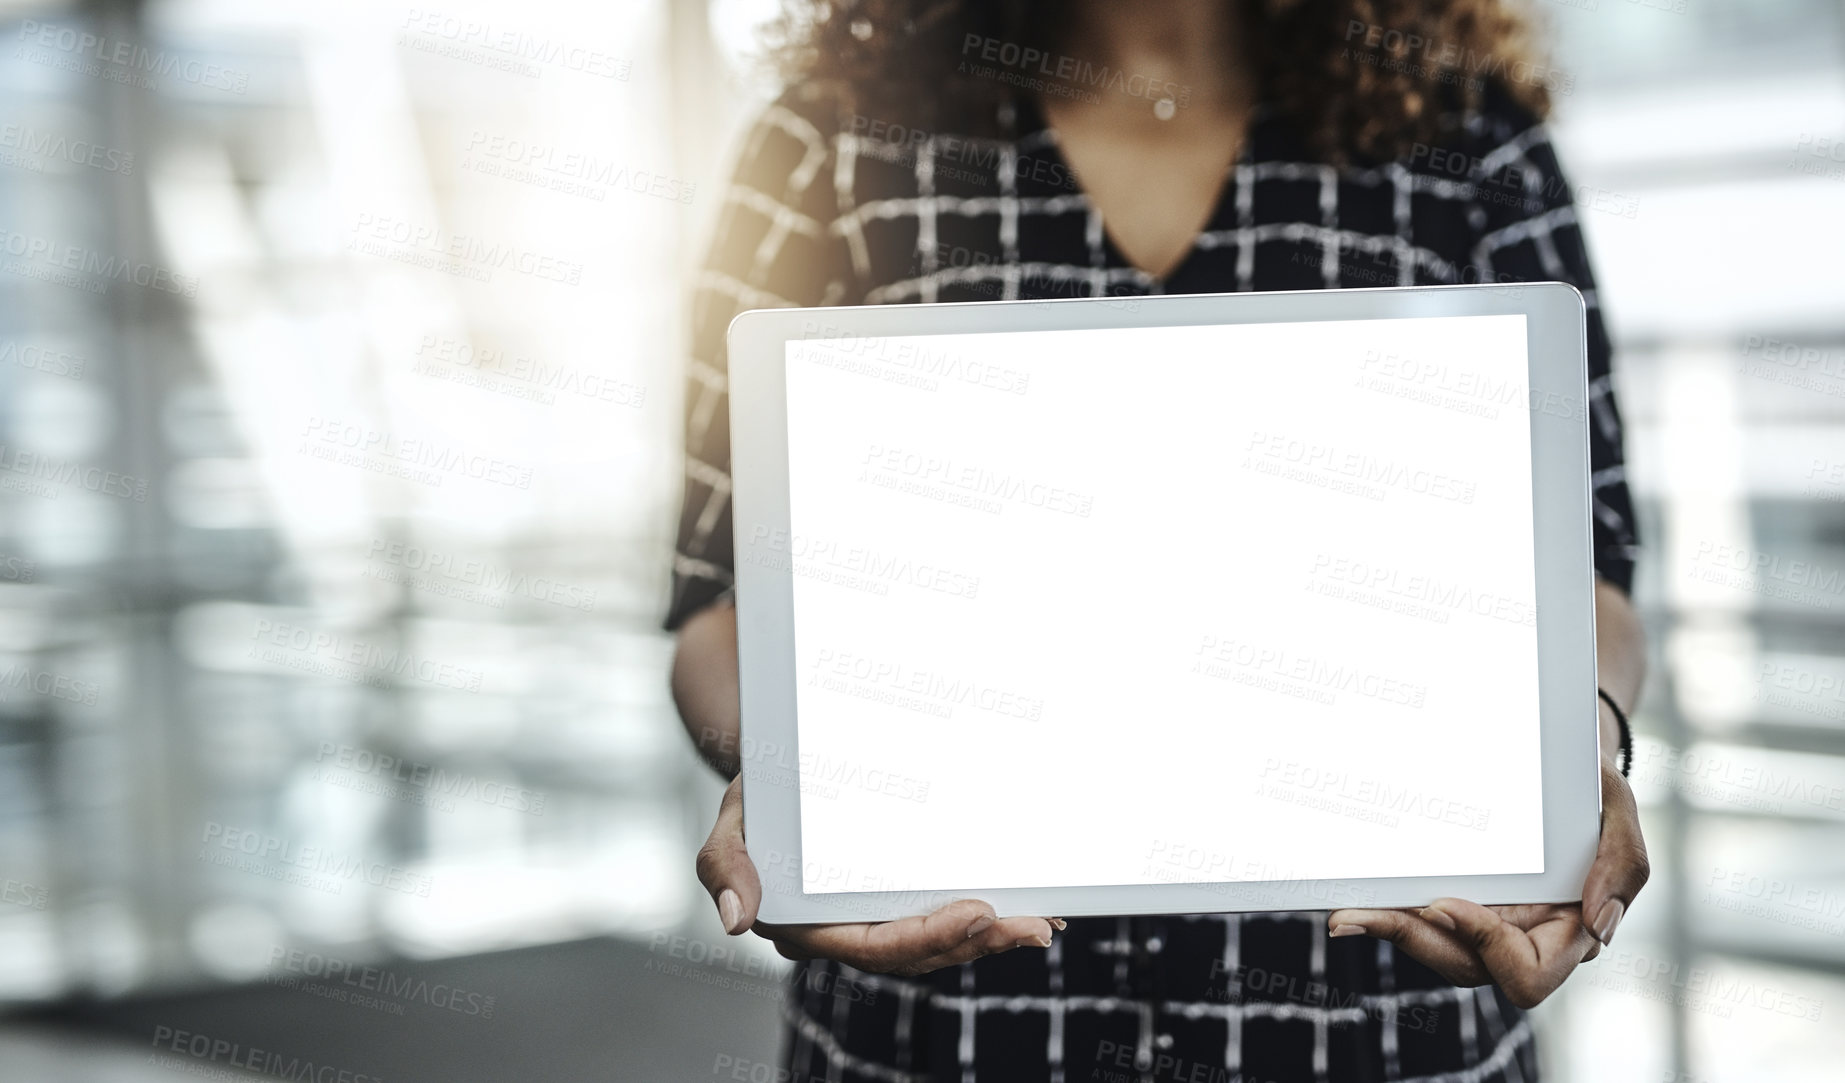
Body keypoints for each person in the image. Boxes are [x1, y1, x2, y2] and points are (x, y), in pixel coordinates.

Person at [667, 1, 1649, 1079]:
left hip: (1374, 1034)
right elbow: (718, 604)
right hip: (942, 1041)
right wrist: (784, 784)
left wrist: (1584, 752)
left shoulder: (1469, 144)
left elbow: (1591, 576)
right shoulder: (827, 142)